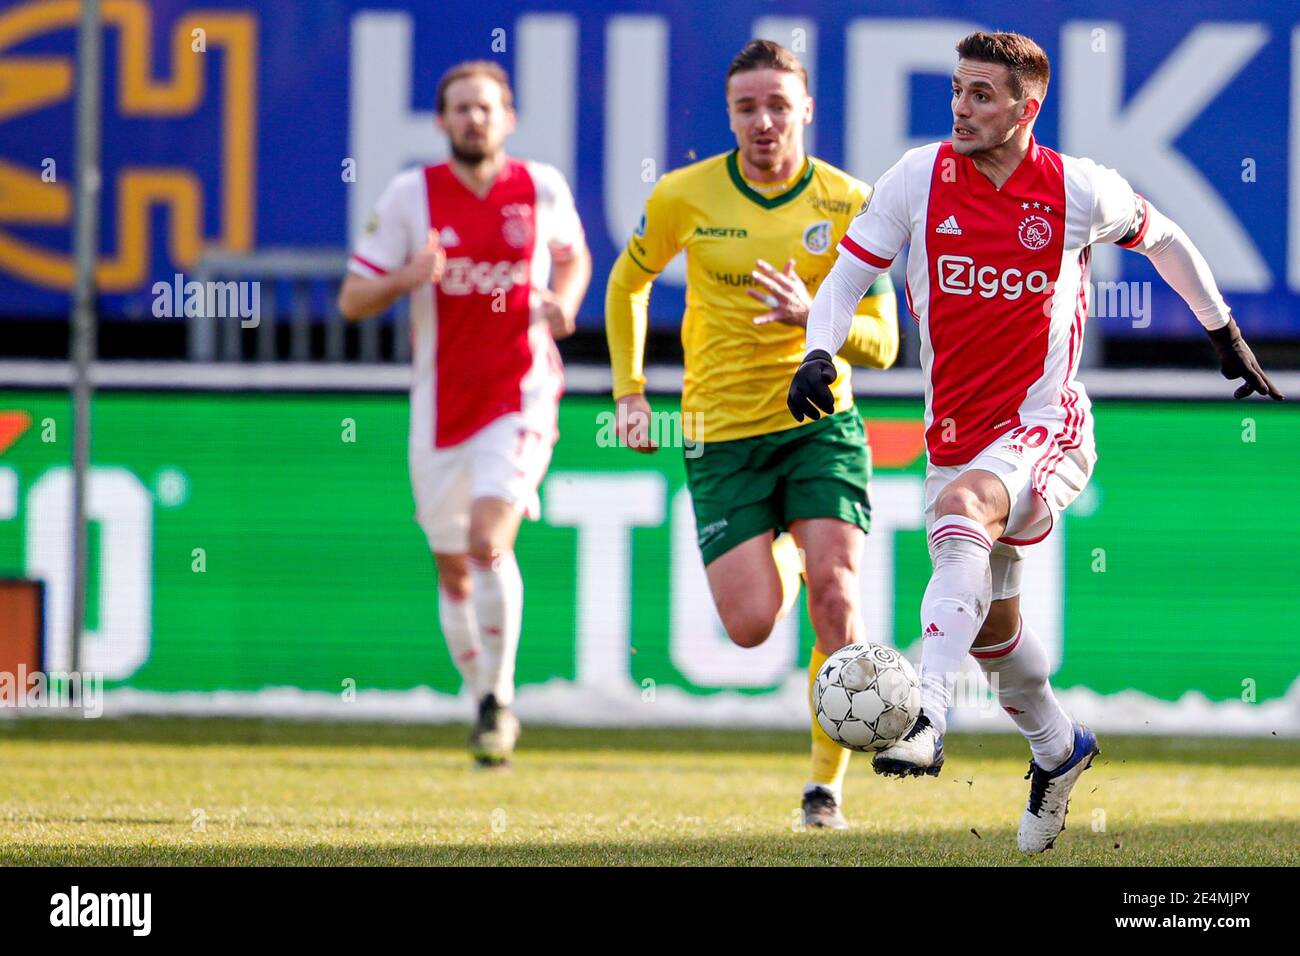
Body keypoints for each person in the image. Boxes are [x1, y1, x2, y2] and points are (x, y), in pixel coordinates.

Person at [789, 30, 1282, 851]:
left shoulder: (1077, 189)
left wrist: (1222, 330)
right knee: (992, 632)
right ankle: (1059, 748)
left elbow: (1162, 236)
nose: (962, 107)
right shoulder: (917, 178)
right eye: (957, 90)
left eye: (982, 94)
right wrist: (817, 350)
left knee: (959, 513)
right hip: (955, 434)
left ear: (1028, 106)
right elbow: (845, 280)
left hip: (1045, 426)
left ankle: (927, 715)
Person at [605, 40, 899, 828]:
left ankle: (824, 790)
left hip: (818, 424)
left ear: (807, 108)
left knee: (837, 597)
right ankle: (778, 543)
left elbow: (886, 342)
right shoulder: (683, 196)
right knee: (749, 626)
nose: (763, 121)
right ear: (730, 114)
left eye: (778, 104)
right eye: (746, 107)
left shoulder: (849, 202)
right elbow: (627, 282)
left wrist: (818, 319)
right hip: (721, 433)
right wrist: (631, 394)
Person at [339, 60, 592, 767]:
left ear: (507, 118)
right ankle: (478, 688)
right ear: (441, 121)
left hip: (522, 394)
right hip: (441, 407)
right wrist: (405, 278)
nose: (474, 118)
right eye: (461, 108)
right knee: (452, 569)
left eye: (486, 107)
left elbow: (574, 258)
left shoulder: (539, 187)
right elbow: (352, 299)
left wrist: (564, 303)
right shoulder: (410, 197)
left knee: (489, 539)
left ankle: (497, 698)